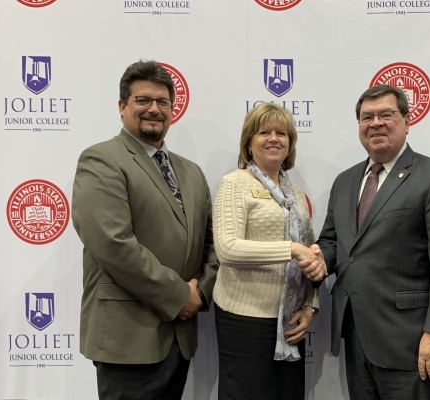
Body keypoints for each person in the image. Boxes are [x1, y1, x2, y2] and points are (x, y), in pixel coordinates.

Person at [308, 85, 430, 400]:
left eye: (387, 114)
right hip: (356, 336)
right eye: (367, 117)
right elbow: (333, 241)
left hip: (411, 342)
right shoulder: (345, 182)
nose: (376, 123)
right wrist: (319, 259)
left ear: (407, 121)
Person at [71, 60, 219, 400]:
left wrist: (201, 291)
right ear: (122, 106)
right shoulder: (101, 160)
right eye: (143, 100)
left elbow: (213, 244)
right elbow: (113, 245)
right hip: (127, 337)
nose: (154, 109)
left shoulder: (191, 172)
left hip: (179, 338)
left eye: (162, 102)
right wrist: (179, 296)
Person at [211, 102, 325, 400]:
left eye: (281, 133)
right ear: (249, 142)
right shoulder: (234, 184)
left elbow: (310, 256)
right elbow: (227, 249)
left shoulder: (296, 193)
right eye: (264, 132)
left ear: (290, 143)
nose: (274, 138)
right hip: (245, 320)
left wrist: (311, 306)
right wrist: (291, 248)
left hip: (290, 319)